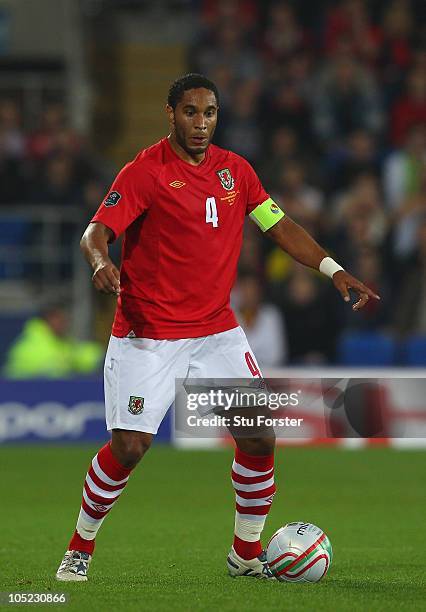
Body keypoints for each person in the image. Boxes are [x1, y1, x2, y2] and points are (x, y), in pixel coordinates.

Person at [55, 73, 379, 582]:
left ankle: (245, 557)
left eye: (209, 113)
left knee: (258, 438)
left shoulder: (236, 172)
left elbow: (281, 226)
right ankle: (80, 546)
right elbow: (95, 232)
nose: (200, 123)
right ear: (170, 114)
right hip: (149, 334)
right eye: (190, 112)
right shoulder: (145, 172)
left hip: (215, 331)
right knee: (130, 447)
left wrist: (334, 271)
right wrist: (100, 262)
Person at [3, 304, 102, 378]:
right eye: (58, 319)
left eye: (64, 319)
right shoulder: (33, 343)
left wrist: (102, 355)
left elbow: (80, 355)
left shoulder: (62, 342)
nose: (63, 323)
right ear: (47, 320)